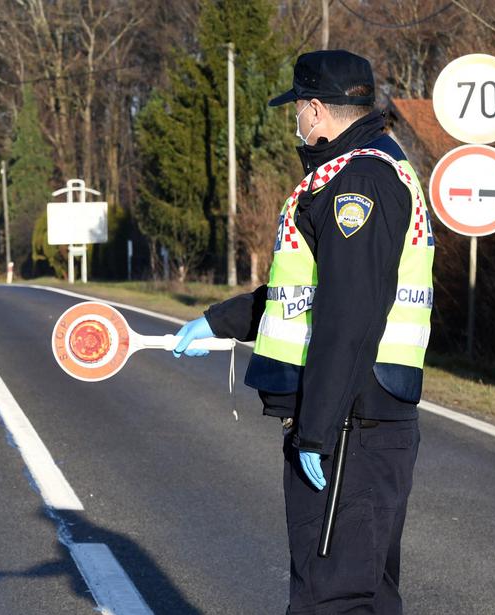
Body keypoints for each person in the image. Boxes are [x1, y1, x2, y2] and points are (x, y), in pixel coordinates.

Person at [174, 50, 434, 614]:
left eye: (297, 107)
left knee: (332, 598)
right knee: (363, 593)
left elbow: (350, 315)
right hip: (360, 416)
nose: (295, 119)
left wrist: (316, 429)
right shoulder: (368, 168)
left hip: (349, 423)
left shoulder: (356, 182)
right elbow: (311, 293)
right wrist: (221, 322)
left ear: (315, 109)